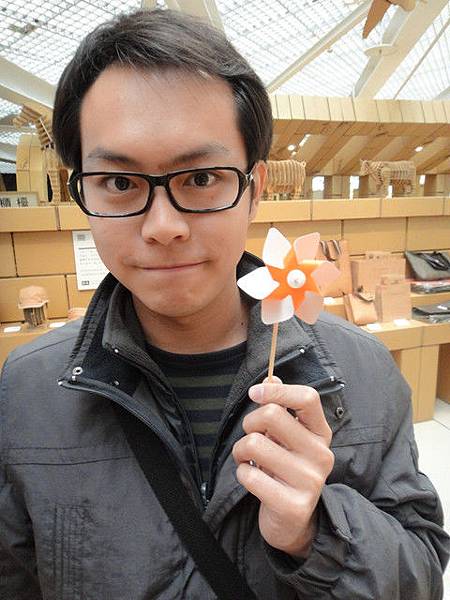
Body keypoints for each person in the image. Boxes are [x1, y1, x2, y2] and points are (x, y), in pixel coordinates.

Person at [0, 8, 448, 600]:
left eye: (202, 178)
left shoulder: (360, 371)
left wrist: (316, 534)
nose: (163, 227)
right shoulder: (26, 391)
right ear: (80, 191)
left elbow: (421, 575)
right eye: (119, 183)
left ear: (254, 191)